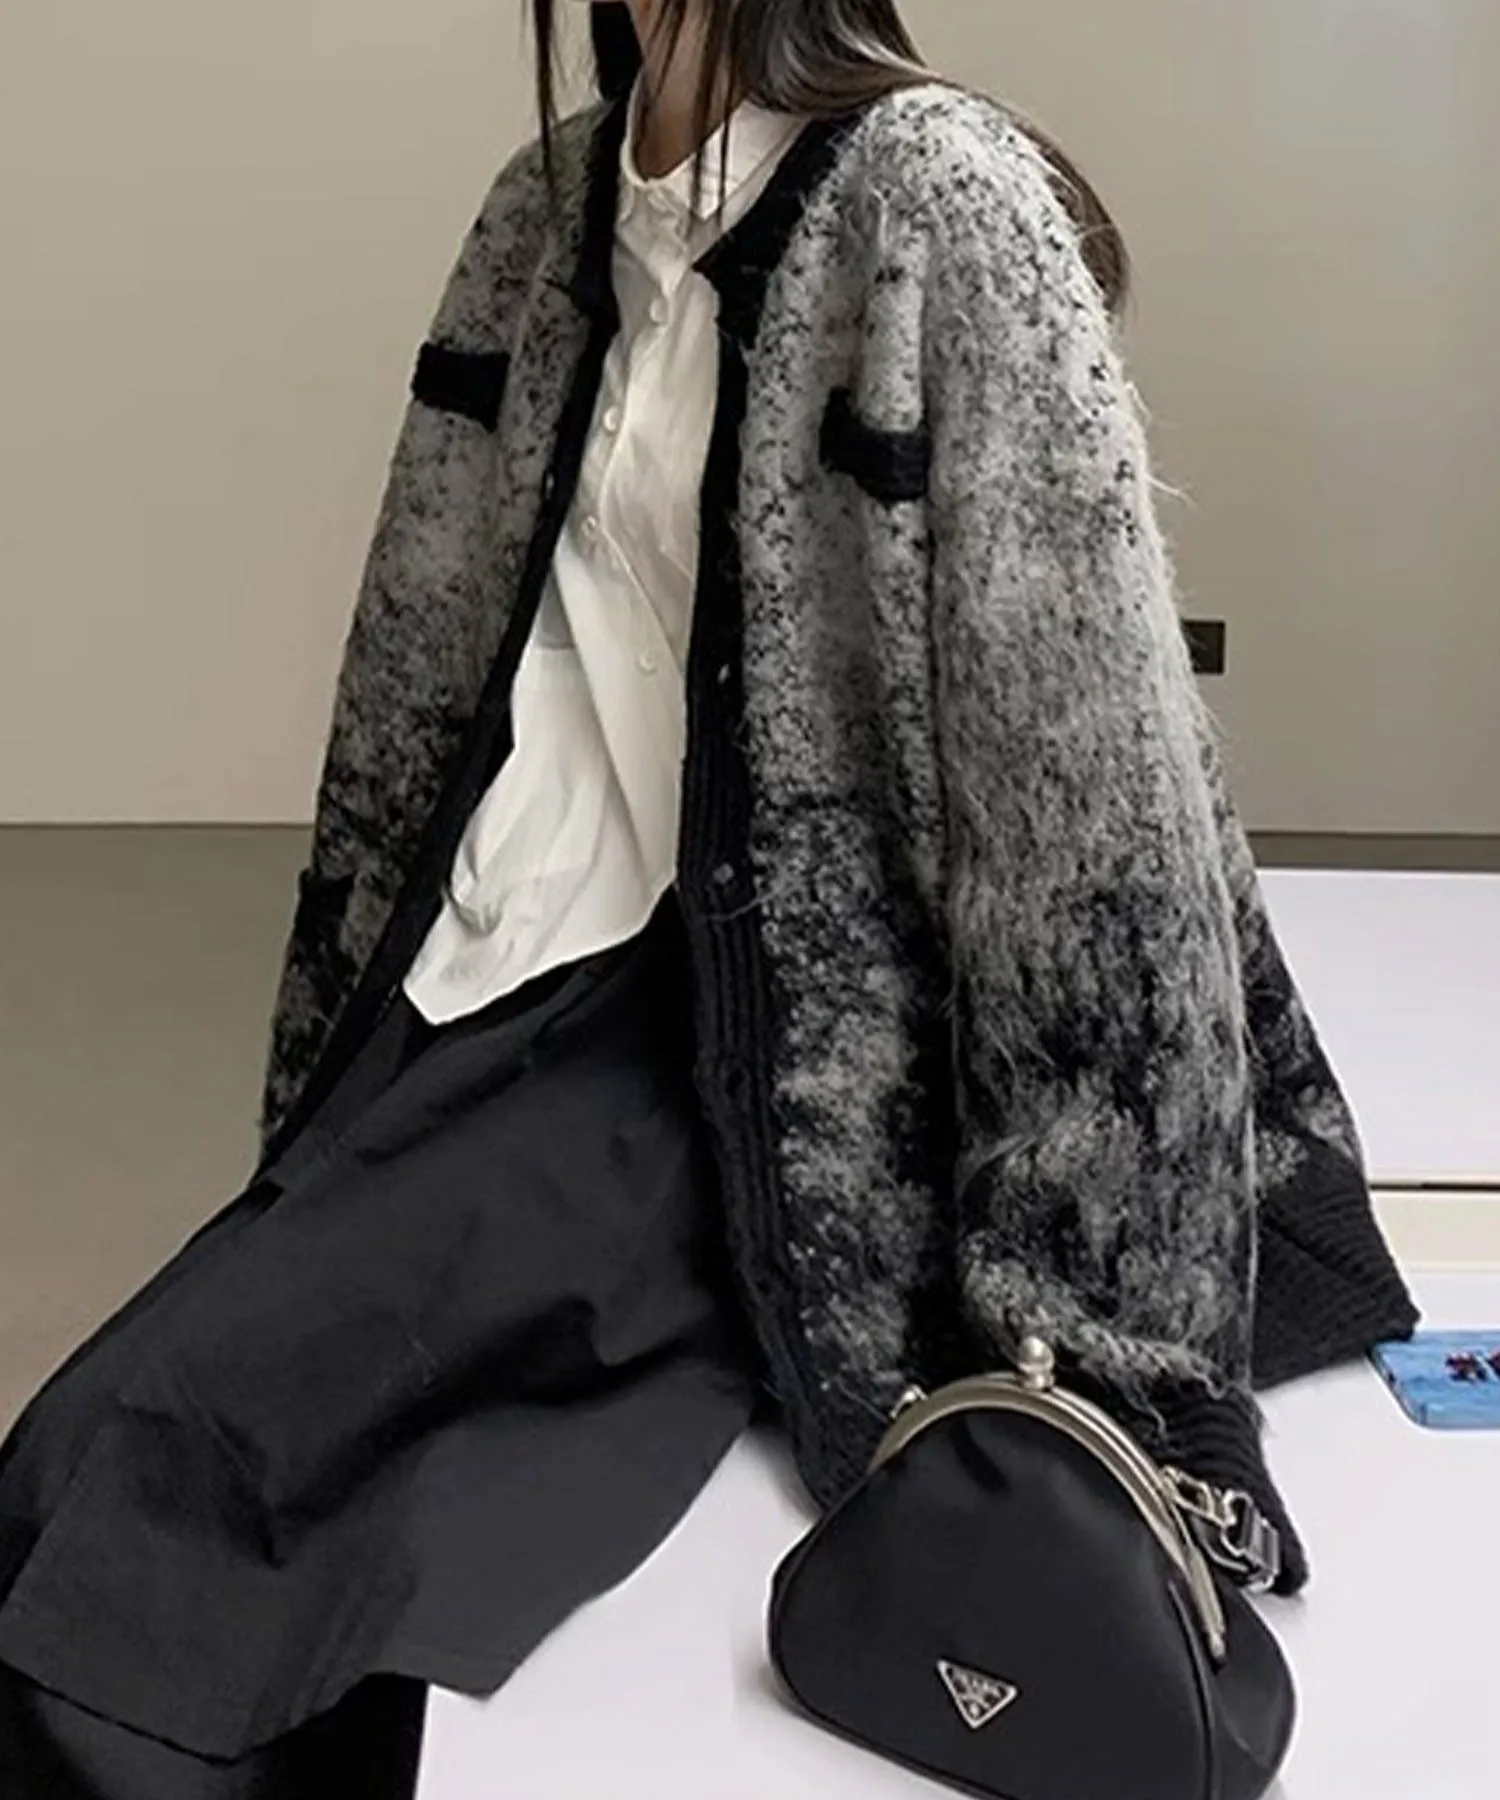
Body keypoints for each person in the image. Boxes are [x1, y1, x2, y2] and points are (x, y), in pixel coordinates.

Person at [0, 3, 1418, 1794]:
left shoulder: (940, 200)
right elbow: (418, 699)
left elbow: (1096, 816)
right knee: (104, 1492)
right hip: (489, 997)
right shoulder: (546, 209)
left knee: (166, 1553)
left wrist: (1105, 1361)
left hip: (733, 1059)